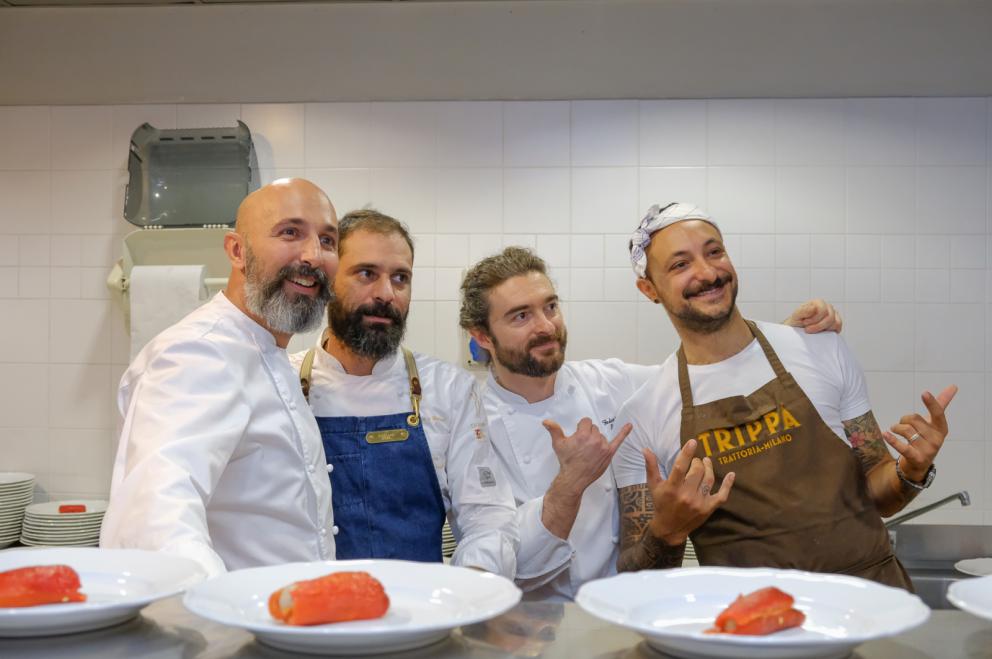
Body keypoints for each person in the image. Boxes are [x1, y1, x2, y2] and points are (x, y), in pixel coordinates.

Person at [458, 246, 842, 600]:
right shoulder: (469, 426)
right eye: (521, 316)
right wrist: (571, 480)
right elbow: (499, 559)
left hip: (615, 610)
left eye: (551, 307)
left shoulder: (609, 382)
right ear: (481, 337)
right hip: (525, 627)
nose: (546, 326)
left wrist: (782, 338)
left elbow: (704, 379)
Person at [612, 202, 956, 588]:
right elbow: (635, 583)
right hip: (751, 625)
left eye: (714, 252)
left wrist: (911, 470)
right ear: (649, 289)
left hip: (869, 605)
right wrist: (668, 530)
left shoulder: (820, 350)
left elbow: (880, 497)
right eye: (680, 264)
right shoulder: (644, 415)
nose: (707, 273)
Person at [101, 178, 340, 577]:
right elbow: (156, 520)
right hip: (232, 626)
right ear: (237, 250)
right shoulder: (200, 353)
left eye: (328, 241)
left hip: (283, 624)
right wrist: (221, 612)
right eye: (290, 232)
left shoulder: (270, 352)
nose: (314, 255)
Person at [290, 210, 519, 578]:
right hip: (313, 619)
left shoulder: (448, 390)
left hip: (421, 614)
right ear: (329, 279)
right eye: (366, 274)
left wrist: (471, 586)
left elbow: (487, 517)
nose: (386, 294)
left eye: (400, 278)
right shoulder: (283, 385)